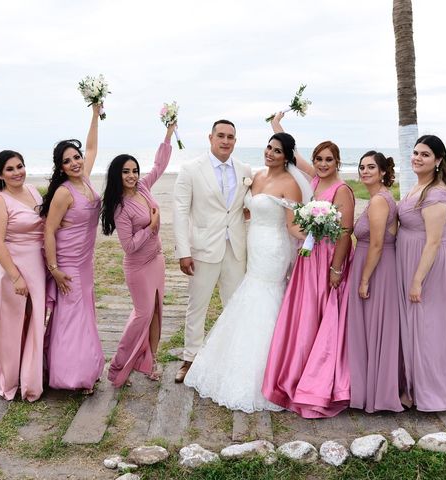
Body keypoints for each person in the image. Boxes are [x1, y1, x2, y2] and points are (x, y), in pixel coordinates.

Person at [184, 132, 311, 412]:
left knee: (265, 296)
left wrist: (317, 234)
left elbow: (293, 225)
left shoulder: (290, 184)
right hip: (252, 244)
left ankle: (269, 370)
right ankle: (235, 363)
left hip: (274, 247)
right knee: (249, 293)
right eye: (268, 147)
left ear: (287, 156)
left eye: (277, 151)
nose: (270, 153)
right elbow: (247, 211)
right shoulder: (255, 175)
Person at [262, 113, 354, 418]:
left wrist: (337, 269)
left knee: (320, 314)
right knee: (303, 316)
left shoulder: (342, 190)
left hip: (327, 260)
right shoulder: (312, 179)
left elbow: (344, 231)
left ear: (337, 162)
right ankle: (296, 373)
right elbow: (294, 152)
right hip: (307, 259)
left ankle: (318, 381)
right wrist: (277, 126)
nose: (323, 163)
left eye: (329, 159)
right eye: (319, 159)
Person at [172, 120, 252, 383]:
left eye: (231, 136)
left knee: (234, 306)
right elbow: (181, 212)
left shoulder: (244, 169)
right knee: (197, 307)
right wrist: (183, 251)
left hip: (235, 248)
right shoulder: (191, 169)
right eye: (221, 135)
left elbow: (243, 209)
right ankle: (190, 358)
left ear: (235, 141)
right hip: (203, 248)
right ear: (210, 137)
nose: (225, 141)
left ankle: (231, 358)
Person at [100, 122, 175, 387]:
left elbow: (159, 166)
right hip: (138, 266)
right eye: (125, 172)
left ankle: (149, 362)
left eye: (134, 170)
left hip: (157, 260)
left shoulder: (143, 187)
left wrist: (167, 135)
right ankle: (118, 366)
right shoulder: (120, 207)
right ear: (117, 175)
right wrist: (151, 227)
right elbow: (129, 246)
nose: (132, 175)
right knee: (142, 314)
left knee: (156, 312)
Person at [41, 104, 104, 392]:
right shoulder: (65, 192)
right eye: (68, 161)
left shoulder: (86, 180)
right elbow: (49, 231)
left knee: (84, 315)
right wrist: (54, 270)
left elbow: (92, 148)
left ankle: (87, 366)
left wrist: (94, 115)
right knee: (72, 318)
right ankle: (73, 377)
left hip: (85, 262)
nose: (76, 162)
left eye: (76, 157)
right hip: (66, 265)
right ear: (61, 167)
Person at [397, 134, 446, 411]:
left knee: (427, 327)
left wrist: (417, 280)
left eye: (425, 154)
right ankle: (410, 385)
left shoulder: (436, 192)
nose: (417, 158)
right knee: (413, 326)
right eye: (415, 152)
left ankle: (429, 391)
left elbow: (433, 241)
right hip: (408, 258)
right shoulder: (417, 186)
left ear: (438, 161)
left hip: (426, 266)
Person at [0, 150, 45, 401]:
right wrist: (16, 277)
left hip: (36, 266)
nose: (17, 172)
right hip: (12, 268)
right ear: (0, 174)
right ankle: (9, 379)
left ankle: (29, 378)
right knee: (11, 325)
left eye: (20, 166)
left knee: (34, 320)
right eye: (10, 169)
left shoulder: (33, 191)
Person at [347, 151, 403, 413]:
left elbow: (378, 244)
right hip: (372, 266)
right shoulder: (376, 199)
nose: (365, 171)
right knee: (370, 330)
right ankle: (369, 389)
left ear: (382, 172)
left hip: (377, 270)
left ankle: (377, 394)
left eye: (371, 167)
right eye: (361, 167)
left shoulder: (380, 201)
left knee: (374, 328)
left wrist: (365, 279)